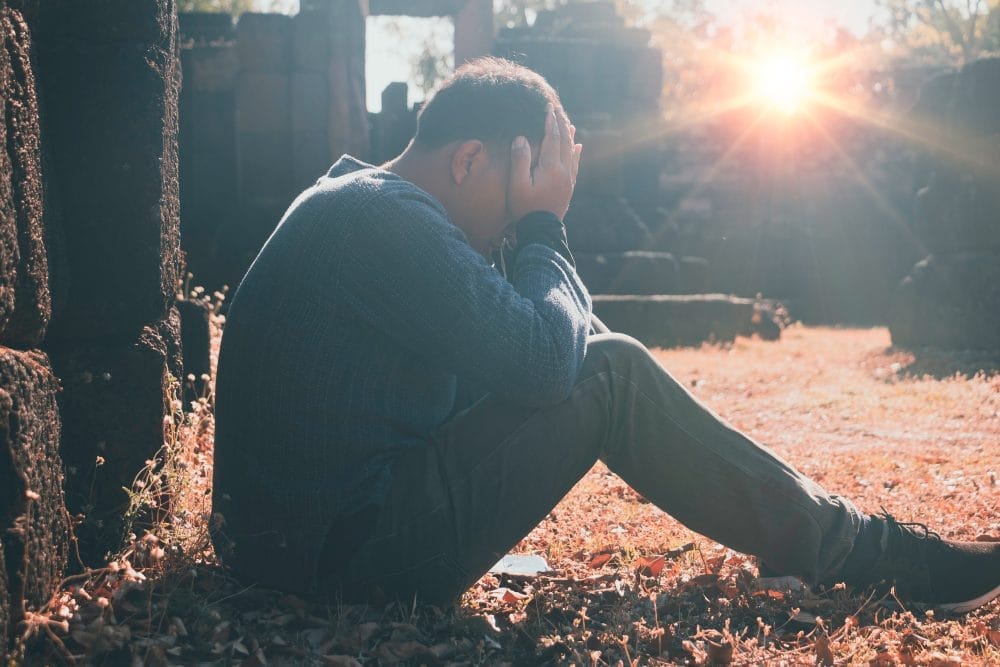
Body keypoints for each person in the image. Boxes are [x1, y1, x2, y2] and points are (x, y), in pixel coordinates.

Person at [211, 57, 1000, 613]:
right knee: (612, 375)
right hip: (338, 563)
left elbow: (560, 340)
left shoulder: (354, 197)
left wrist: (533, 231)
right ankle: (850, 548)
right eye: (511, 208)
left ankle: (827, 532)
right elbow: (561, 366)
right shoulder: (388, 219)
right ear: (471, 160)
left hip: (291, 550)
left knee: (596, 358)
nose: (503, 242)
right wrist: (545, 229)